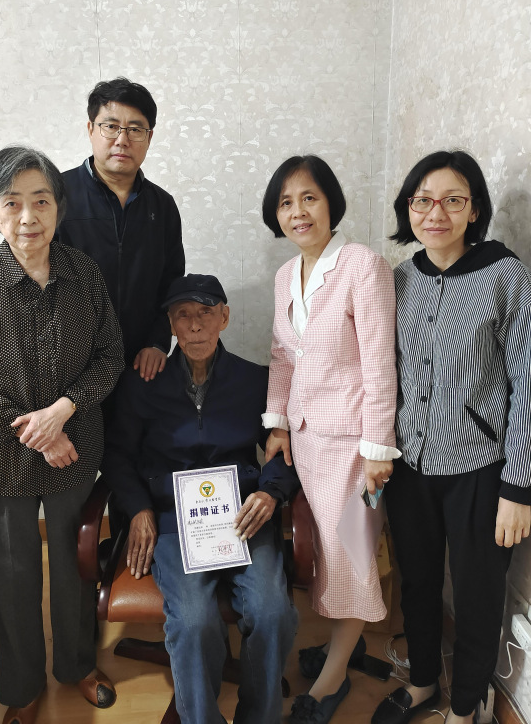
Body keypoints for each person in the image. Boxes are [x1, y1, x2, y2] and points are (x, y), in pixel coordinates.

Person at [0, 146, 126, 724]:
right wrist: (36, 431)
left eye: (41, 201)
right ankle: (21, 687)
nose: (27, 217)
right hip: (2, 458)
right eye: (11, 202)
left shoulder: (84, 274)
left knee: (74, 566)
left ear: (58, 208)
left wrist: (61, 412)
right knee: (14, 575)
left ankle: (77, 665)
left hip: (74, 448)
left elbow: (109, 357)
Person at [371, 151, 531, 724]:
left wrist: (518, 488)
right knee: (416, 583)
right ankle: (421, 683)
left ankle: (467, 706)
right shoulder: (399, 278)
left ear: (474, 209)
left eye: (452, 200)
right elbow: (382, 371)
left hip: (480, 470)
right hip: (409, 467)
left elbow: (527, 382)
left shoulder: (506, 276)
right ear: (408, 208)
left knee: (477, 593)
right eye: (422, 200)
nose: (435, 213)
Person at [100, 273, 300, 724]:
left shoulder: (255, 380)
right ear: (170, 325)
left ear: (224, 318)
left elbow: (285, 449)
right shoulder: (143, 383)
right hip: (173, 520)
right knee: (193, 620)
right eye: (183, 315)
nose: (194, 326)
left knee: (273, 612)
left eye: (205, 313)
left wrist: (271, 492)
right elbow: (117, 454)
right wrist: (140, 508)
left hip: (243, 515)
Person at [261, 155, 400, 724]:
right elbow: (281, 356)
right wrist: (277, 422)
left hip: (355, 448)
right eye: (286, 202)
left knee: (353, 558)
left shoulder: (363, 265)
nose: (298, 212)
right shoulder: (284, 276)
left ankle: (332, 679)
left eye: (309, 198)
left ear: (331, 203)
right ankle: (346, 647)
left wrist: (377, 450)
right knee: (325, 554)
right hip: (306, 442)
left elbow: (380, 363)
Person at [0, 77, 185, 379]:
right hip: (69, 365)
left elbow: (172, 282)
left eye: (135, 129)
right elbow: (20, 259)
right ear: (91, 128)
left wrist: (158, 342)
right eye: (110, 126)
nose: (122, 139)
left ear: (149, 136)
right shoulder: (54, 196)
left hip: (141, 363)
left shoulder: (162, 206)